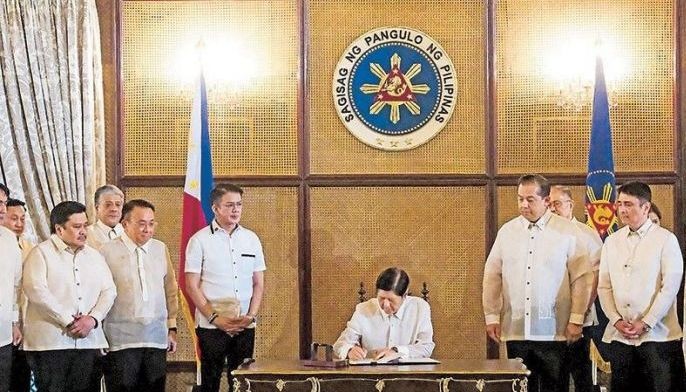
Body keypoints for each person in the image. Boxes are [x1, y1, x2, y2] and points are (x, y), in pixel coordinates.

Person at [482, 174, 592, 392]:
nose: (524, 205)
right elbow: (493, 275)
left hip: (554, 331)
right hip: (517, 329)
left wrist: (577, 319)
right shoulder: (507, 232)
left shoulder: (568, 232)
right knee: (521, 387)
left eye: (530, 199)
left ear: (546, 201)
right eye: (520, 198)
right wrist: (492, 316)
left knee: (555, 386)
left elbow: (582, 278)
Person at [598, 181, 685, 392]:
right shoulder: (612, 241)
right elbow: (604, 287)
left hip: (657, 337)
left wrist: (646, 322)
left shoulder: (665, 239)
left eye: (629, 204)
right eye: (619, 204)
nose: (622, 210)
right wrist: (616, 320)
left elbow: (670, 287)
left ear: (646, 207)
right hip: (621, 336)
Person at [22, 201, 117, 392]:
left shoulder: (95, 256)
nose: (83, 231)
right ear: (59, 229)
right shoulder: (40, 253)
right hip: (50, 344)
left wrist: (92, 319)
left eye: (85, 225)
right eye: (76, 226)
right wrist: (69, 321)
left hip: (88, 342)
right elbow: (36, 290)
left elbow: (109, 291)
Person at [185, 184, 266, 392]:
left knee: (241, 383)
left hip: (244, 325)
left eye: (239, 204)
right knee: (210, 382)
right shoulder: (199, 240)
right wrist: (215, 319)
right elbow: (192, 285)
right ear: (215, 208)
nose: (235, 210)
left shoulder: (251, 239)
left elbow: (258, 283)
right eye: (229, 205)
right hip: (212, 326)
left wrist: (251, 316)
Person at [100, 199, 179, 392]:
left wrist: (172, 326)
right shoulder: (106, 251)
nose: (147, 229)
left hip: (155, 336)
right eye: (141, 223)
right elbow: (98, 294)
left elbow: (170, 288)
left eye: (151, 223)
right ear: (125, 224)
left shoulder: (160, 249)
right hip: (120, 339)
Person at [549, 185, 603, 392]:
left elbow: (596, 277)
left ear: (570, 205)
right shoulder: (543, 234)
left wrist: (580, 313)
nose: (553, 209)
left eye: (557, 204)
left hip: (580, 318)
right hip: (549, 321)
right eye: (549, 204)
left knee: (581, 376)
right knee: (554, 375)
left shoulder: (586, 234)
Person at [333, 267, 435, 360]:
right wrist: (349, 350)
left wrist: (396, 351)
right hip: (371, 375)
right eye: (381, 298)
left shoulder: (420, 308)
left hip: (409, 376)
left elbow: (426, 347)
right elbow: (339, 345)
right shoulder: (363, 309)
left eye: (391, 300)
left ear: (404, 296)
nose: (385, 305)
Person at [2, 198, 34, 392]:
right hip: (4, 324)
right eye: (14, 218)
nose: (19, 224)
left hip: (24, 324)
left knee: (20, 379)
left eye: (22, 219)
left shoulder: (32, 249)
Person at [0, 184, 23, 391]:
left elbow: (16, 285)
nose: (2, 210)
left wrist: (15, 322)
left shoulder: (8, 239)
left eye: (4, 203)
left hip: (3, 334)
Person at [87, 185, 125, 250]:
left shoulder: (129, 232)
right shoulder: (86, 234)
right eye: (108, 205)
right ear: (97, 208)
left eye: (118, 205)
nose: (114, 209)